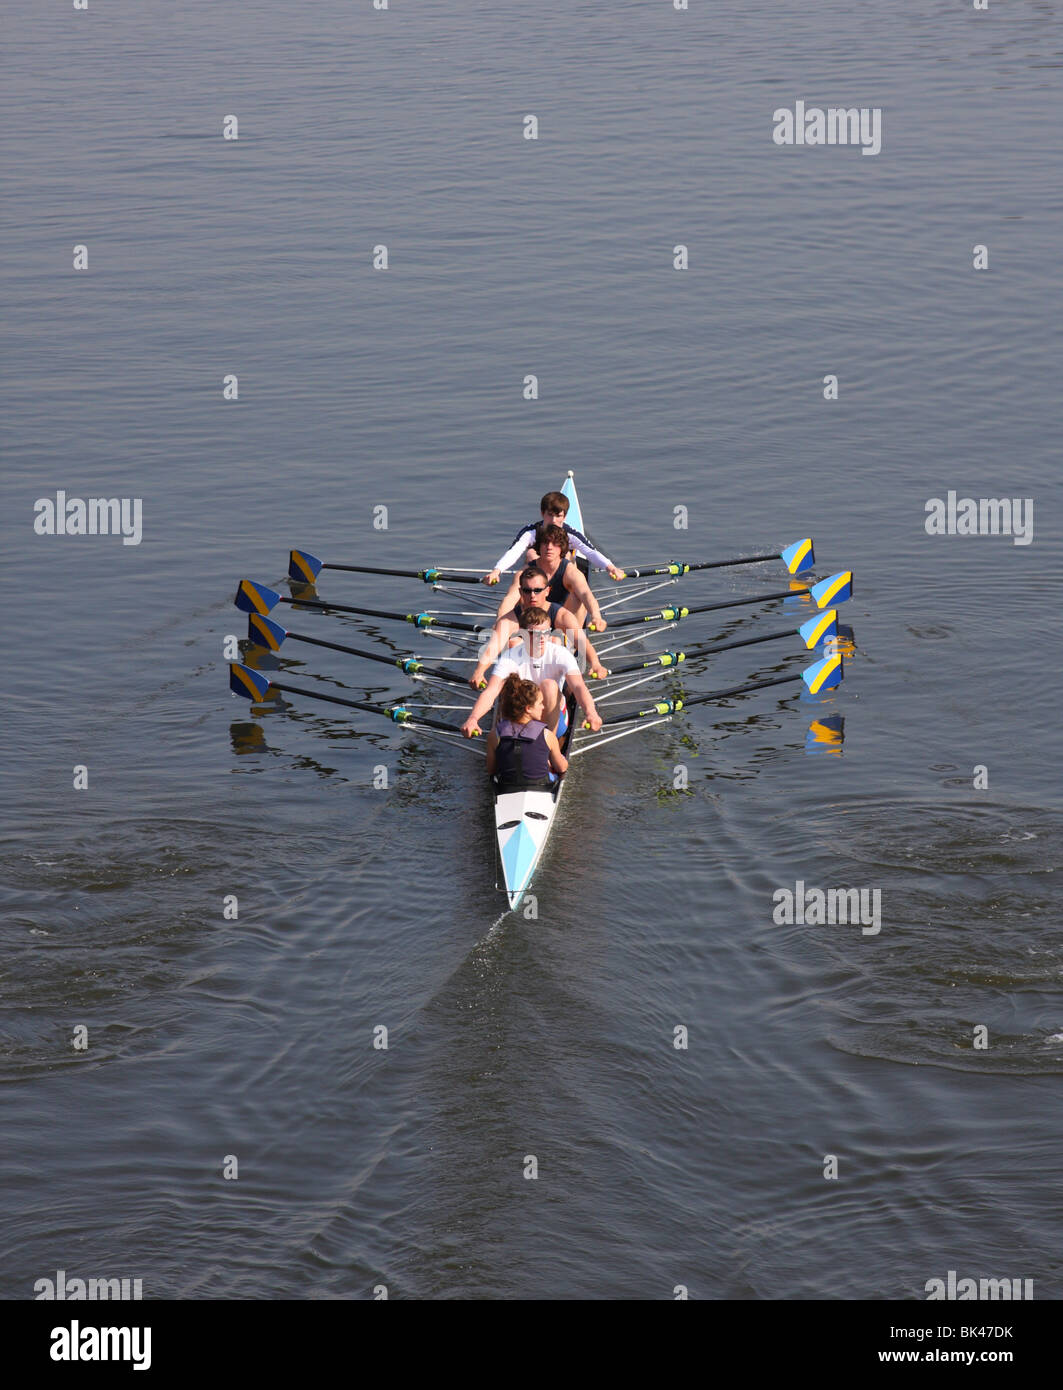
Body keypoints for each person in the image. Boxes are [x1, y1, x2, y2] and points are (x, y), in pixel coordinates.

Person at [462, 608, 604, 737]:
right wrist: (473, 718)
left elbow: (579, 686)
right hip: (521, 714)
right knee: (506, 689)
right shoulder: (510, 656)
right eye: (534, 633)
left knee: (549, 685)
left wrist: (591, 712)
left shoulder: (561, 654)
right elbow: (491, 691)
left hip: (553, 718)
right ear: (523, 633)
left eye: (546, 632)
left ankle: (551, 744)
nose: (541, 637)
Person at [468, 564, 608, 688]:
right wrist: (479, 671)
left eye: (537, 590)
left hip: (553, 672)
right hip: (522, 673)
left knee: (555, 641)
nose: (532, 596)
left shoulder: (562, 616)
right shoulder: (508, 620)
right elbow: (492, 648)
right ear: (520, 592)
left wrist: (595, 664)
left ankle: (562, 695)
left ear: (547, 591)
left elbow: (581, 642)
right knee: (513, 643)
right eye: (527, 591)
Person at [482, 490, 625, 586]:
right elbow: (515, 551)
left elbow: (590, 552)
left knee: (568, 557)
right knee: (531, 554)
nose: (554, 520)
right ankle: (534, 593)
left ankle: (566, 598)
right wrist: (497, 571)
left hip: (562, 575)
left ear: (565, 517)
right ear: (542, 513)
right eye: (550, 515)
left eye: (559, 516)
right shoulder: (530, 532)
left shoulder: (571, 534)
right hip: (538, 576)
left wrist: (611, 568)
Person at [492, 524, 606, 629]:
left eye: (555, 543)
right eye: (545, 543)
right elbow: (510, 598)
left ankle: (571, 641)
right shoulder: (526, 572)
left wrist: (596, 617)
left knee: (579, 596)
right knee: (521, 594)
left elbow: (587, 595)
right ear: (539, 547)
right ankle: (521, 635)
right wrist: (500, 621)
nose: (549, 547)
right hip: (532, 622)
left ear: (561, 547)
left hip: (562, 623)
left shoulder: (570, 572)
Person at [485, 675, 568, 792]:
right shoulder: (547, 735)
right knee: (560, 762)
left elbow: (491, 770)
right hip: (542, 787)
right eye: (540, 703)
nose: (543, 707)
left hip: (506, 787)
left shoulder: (494, 735)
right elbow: (561, 768)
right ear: (528, 708)